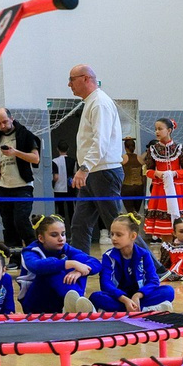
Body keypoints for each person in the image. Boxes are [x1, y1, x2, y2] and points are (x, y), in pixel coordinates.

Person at [67, 64, 124, 252]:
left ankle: (153, 266)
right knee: (80, 225)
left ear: (85, 79)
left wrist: (84, 168)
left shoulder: (99, 103)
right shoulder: (91, 102)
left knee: (119, 227)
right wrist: (85, 170)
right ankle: (79, 264)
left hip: (103, 173)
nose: (69, 84)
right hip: (92, 173)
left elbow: (101, 141)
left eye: (71, 79)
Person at [92, 214, 175, 312]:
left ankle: (123, 310)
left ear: (133, 236)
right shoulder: (108, 256)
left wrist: (138, 295)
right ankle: (145, 309)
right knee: (95, 297)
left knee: (168, 291)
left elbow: (153, 281)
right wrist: (124, 299)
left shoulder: (144, 255)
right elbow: (105, 284)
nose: (113, 238)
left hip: (140, 296)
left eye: (118, 235)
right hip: (119, 298)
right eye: (112, 234)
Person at [18, 214, 97, 314]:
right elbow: (37, 266)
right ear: (41, 238)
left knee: (82, 266)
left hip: (58, 299)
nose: (61, 239)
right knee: (51, 268)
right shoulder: (30, 251)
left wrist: (79, 272)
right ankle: (76, 304)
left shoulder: (66, 248)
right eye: (54, 235)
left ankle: (72, 305)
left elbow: (95, 262)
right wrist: (70, 263)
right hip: (35, 303)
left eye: (63, 234)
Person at [0, 107, 41, 248]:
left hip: (22, 185)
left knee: (21, 220)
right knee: (8, 224)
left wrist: (15, 152)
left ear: (12, 119)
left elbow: (35, 158)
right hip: (3, 186)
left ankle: (34, 250)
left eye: (5, 122)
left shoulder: (26, 134)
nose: (2, 126)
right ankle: (14, 255)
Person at [142, 120, 183, 241]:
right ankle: (166, 248)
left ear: (169, 130)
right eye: (156, 129)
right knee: (164, 228)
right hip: (160, 189)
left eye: (160, 129)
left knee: (179, 222)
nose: (157, 132)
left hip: (177, 189)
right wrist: (157, 174)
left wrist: (174, 173)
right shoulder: (153, 149)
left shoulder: (179, 148)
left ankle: (179, 247)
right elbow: (148, 171)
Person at [121, 138, 146, 215]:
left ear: (125, 148)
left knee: (130, 212)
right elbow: (143, 173)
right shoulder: (140, 158)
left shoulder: (122, 158)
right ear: (134, 147)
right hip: (139, 188)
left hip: (127, 187)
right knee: (136, 212)